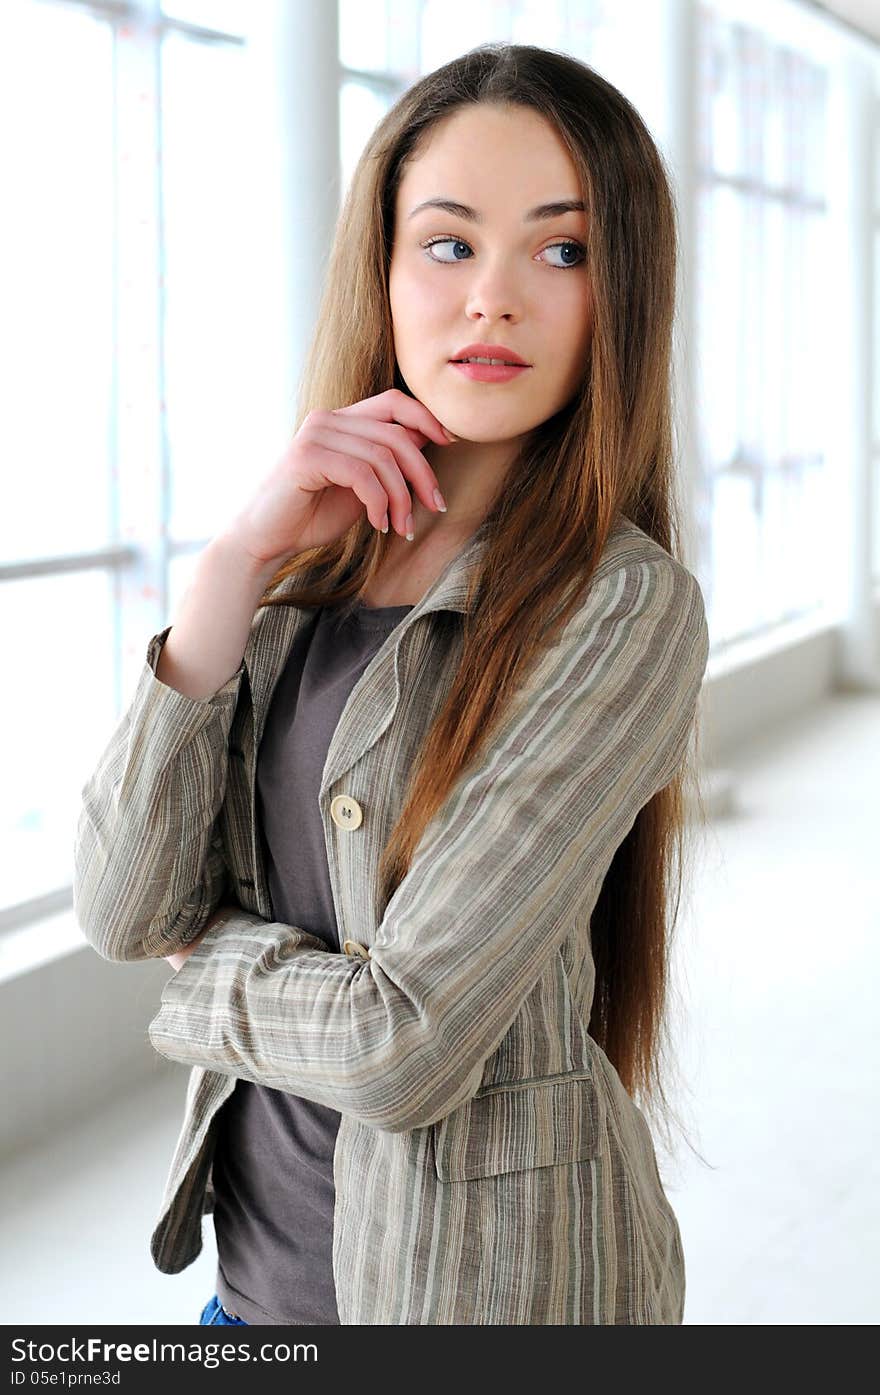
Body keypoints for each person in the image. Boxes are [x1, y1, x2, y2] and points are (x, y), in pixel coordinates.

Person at [74, 42, 710, 1326]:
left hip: (483, 1303)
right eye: (448, 243)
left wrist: (205, 982)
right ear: (382, 267)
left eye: (562, 250)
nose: (493, 301)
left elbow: (403, 1040)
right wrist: (236, 564)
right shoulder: (301, 558)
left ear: (619, 293)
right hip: (249, 1299)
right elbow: (125, 903)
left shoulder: (622, 604)